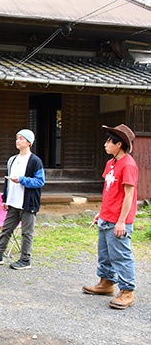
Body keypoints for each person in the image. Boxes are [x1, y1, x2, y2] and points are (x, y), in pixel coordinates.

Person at [82, 124, 138, 310]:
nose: (105, 144)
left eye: (109, 141)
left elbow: (129, 195)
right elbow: (109, 191)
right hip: (107, 215)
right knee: (104, 254)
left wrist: (122, 220)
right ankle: (106, 283)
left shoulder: (128, 164)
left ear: (119, 144)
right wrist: (102, 211)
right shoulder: (110, 163)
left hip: (119, 219)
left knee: (120, 256)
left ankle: (127, 291)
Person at [0, 129, 45, 270]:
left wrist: (22, 180)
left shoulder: (35, 161)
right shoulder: (12, 160)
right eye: (17, 138)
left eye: (21, 138)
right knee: (6, 229)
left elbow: (40, 182)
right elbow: (7, 182)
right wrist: (5, 198)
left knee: (27, 232)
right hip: (13, 201)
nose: (18, 141)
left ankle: (25, 259)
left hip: (28, 203)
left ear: (29, 142)